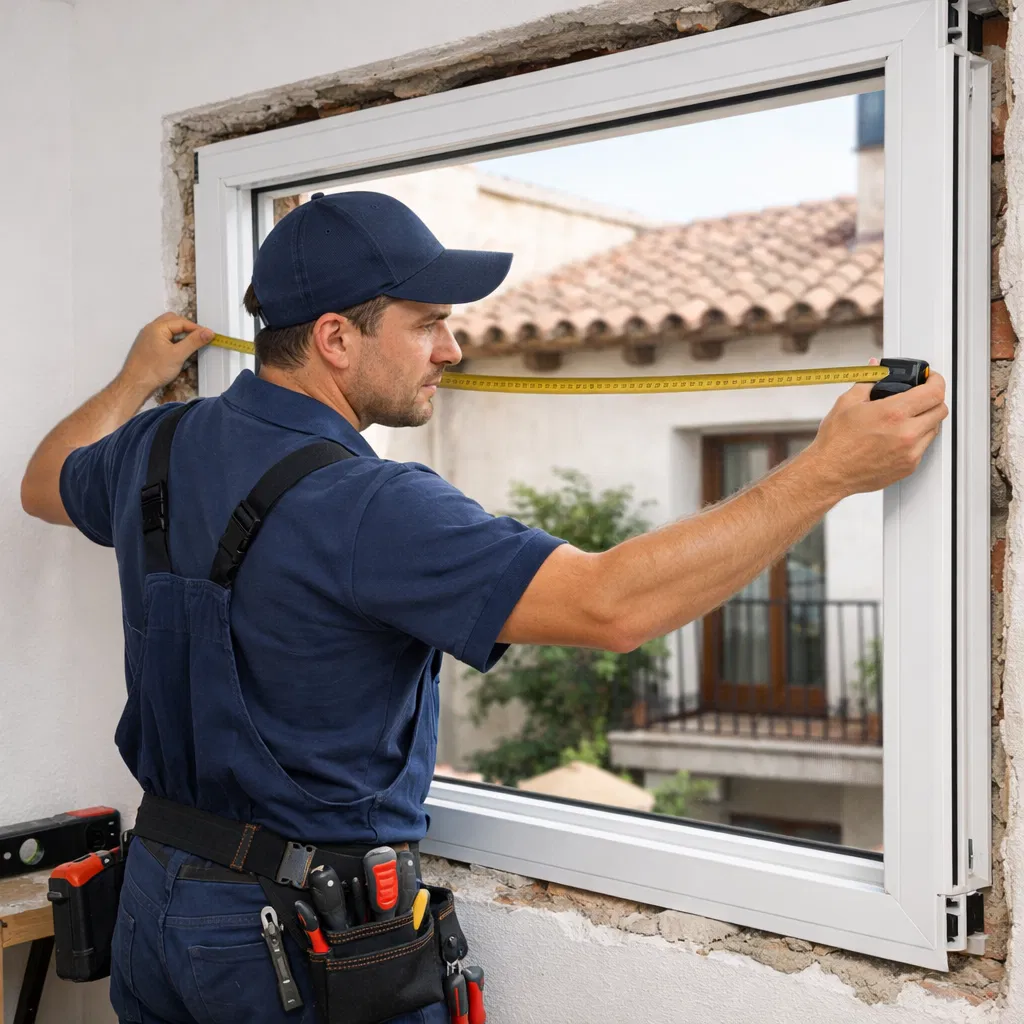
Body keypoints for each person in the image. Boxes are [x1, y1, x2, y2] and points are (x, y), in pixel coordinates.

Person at [20, 191, 947, 1024]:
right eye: (428, 324)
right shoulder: (372, 506)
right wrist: (827, 473)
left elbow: (40, 482)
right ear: (337, 338)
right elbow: (613, 605)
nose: (453, 349)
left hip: (157, 903)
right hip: (292, 946)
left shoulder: (157, 445)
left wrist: (136, 379)